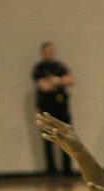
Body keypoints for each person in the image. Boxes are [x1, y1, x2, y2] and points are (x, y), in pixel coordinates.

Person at [32, 41, 75, 176]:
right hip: (47, 109)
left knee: (66, 137)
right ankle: (51, 170)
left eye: (52, 50)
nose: (50, 53)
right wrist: (59, 82)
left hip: (61, 107)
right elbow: (44, 87)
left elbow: (70, 81)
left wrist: (55, 81)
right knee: (48, 138)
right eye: (47, 50)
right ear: (42, 52)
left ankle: (67, 169)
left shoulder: (59, 66)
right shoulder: (39, 68)